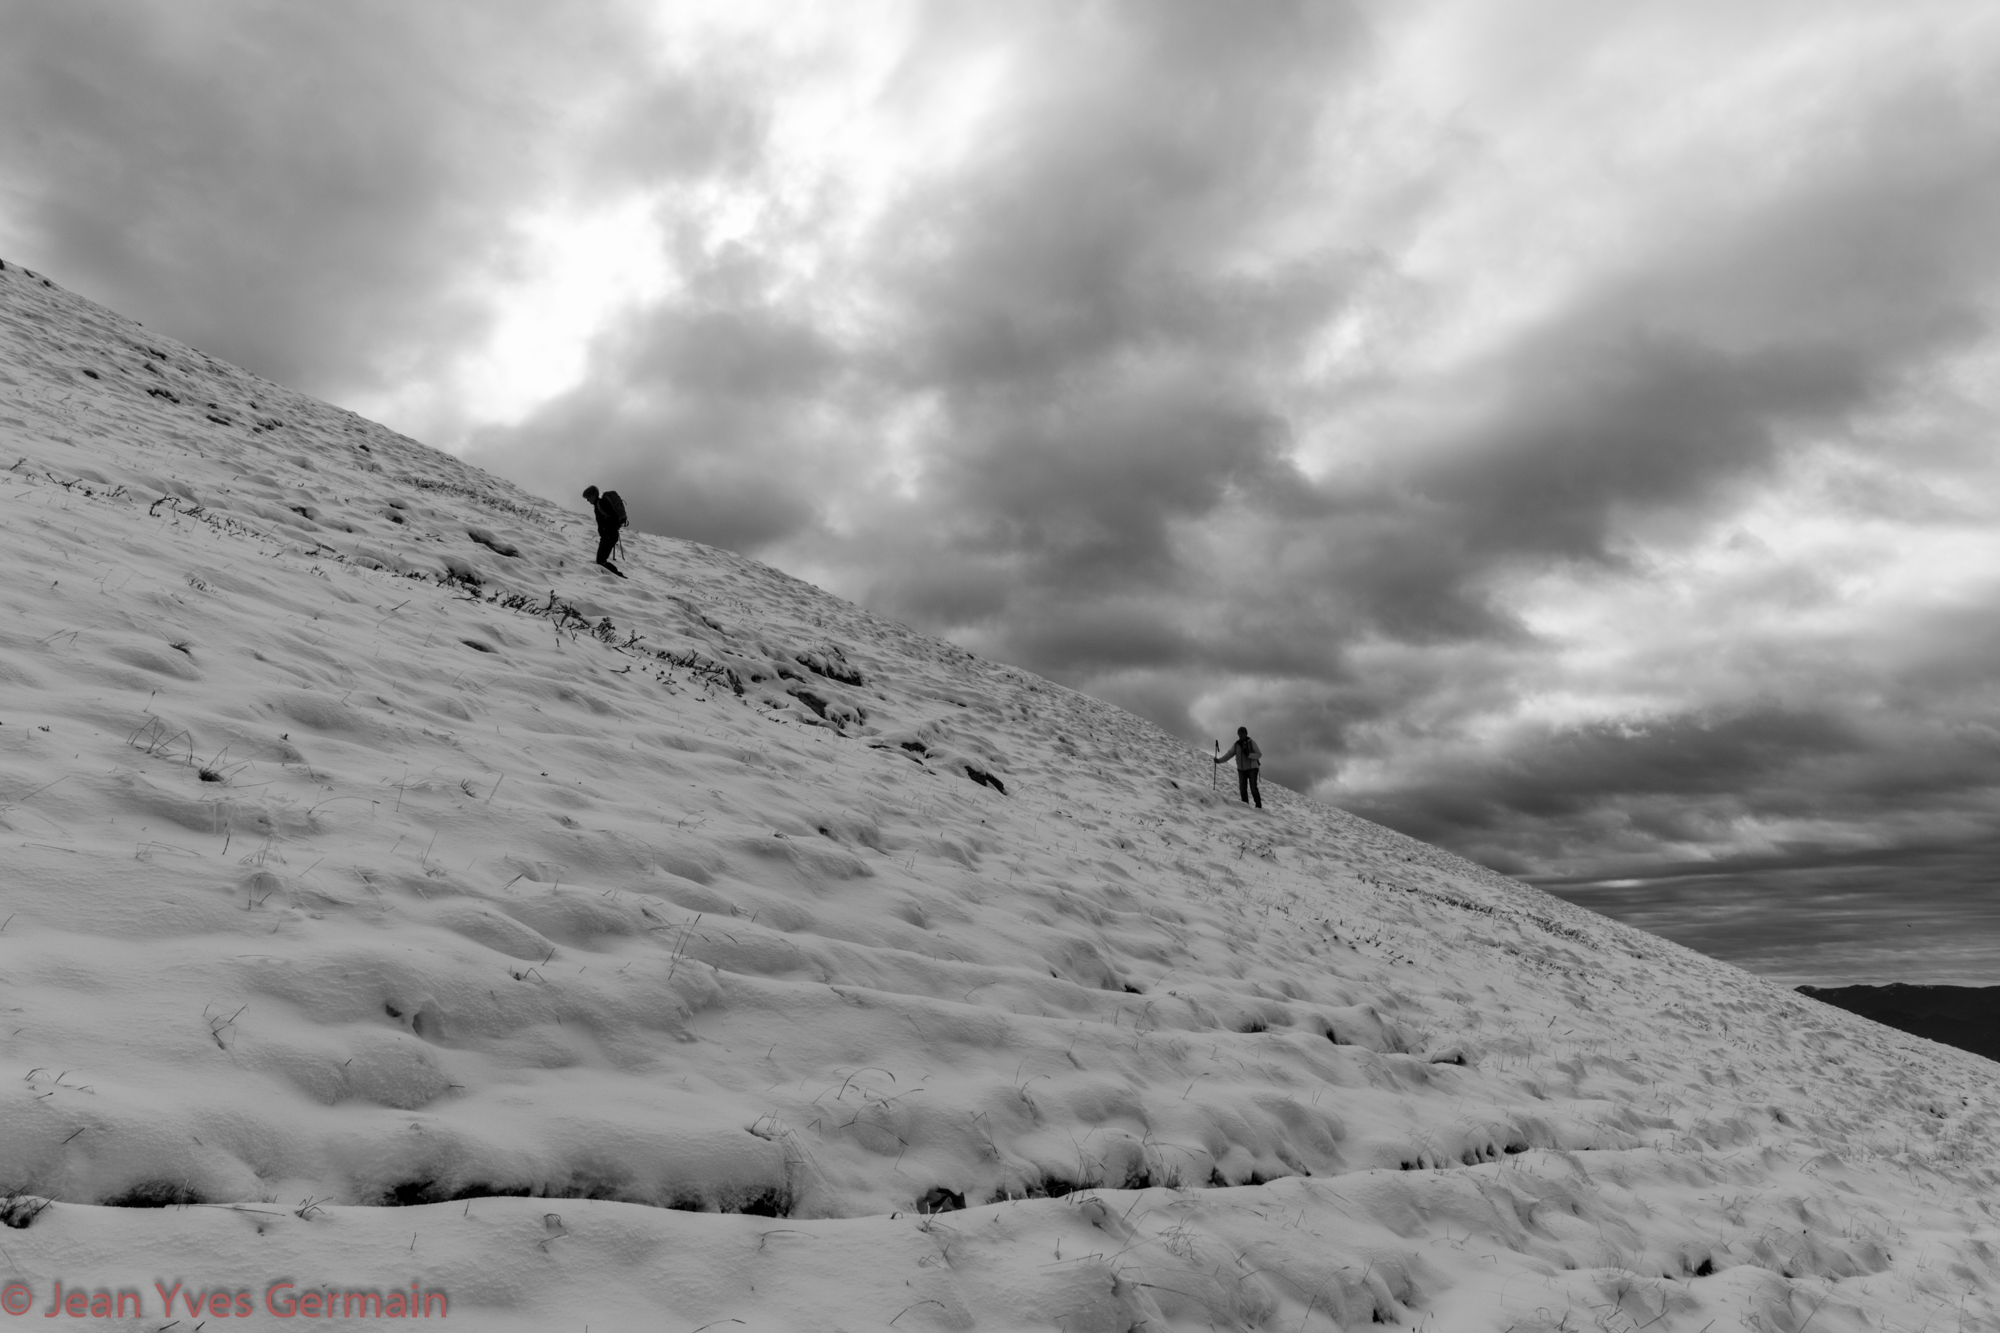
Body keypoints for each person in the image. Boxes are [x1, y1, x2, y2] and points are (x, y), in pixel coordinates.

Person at [582, 485, 628, 577]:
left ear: (594, 495)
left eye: (588, 497)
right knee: (601, 560)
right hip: (608, 535)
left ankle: (618, 576)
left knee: (601, 561)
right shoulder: (599, 504)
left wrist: (607, 528)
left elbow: (613, 517)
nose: (587, 500)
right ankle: (616, 576)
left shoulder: (601, 503)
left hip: (609, 535)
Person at [1214, 726, 1262, 808]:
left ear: (1246, 734)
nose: (1241, 735)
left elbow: (1259, 754)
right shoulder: (1236, 745)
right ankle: (1245, 806)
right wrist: (1219, 760)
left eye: (1243, 733)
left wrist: (1249, 755)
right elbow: (1229, 754)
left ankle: (1258, 807)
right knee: (1243, 789)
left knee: (1253, 789)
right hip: (1241, 770)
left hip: (1252, 769)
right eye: (1240, 733)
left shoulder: (1251, 742)